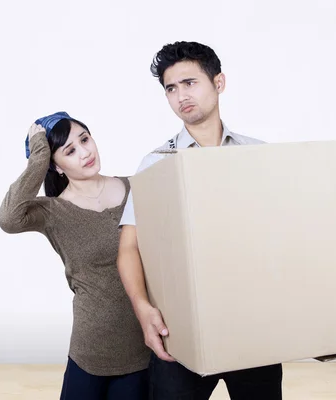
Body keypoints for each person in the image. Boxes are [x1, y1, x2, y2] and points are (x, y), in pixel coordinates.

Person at [117, 42, 283, 399]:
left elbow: (283, 235)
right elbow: (129, 247)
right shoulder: (156, 164)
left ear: (218, 82)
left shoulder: (260, 155)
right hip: (181, 331)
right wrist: (142, 309)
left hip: (252, 326)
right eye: (171, 89)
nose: (180, 96)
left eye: (190, 83)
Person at [0, 112, 150, 400]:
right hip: (89, 353)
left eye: (84, 139)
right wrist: (39, 155)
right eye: (70, 150)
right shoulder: (53, 211)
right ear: (55, 165)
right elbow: (9, 218)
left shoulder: (137, 187)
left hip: (141, 350)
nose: (85, 152)